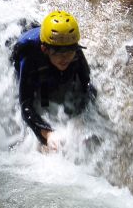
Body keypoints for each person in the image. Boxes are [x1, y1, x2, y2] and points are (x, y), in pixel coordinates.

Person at [11, 10, 96, 147]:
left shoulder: (74, 51)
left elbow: (87, 84)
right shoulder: (29, 56)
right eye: (59, 53)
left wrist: (81, 116)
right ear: (45, 49)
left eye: (70, 51)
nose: (65, 58)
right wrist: (47, 133)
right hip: (23, 47)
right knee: (39, 86)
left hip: (47, 44)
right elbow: (25, 105)